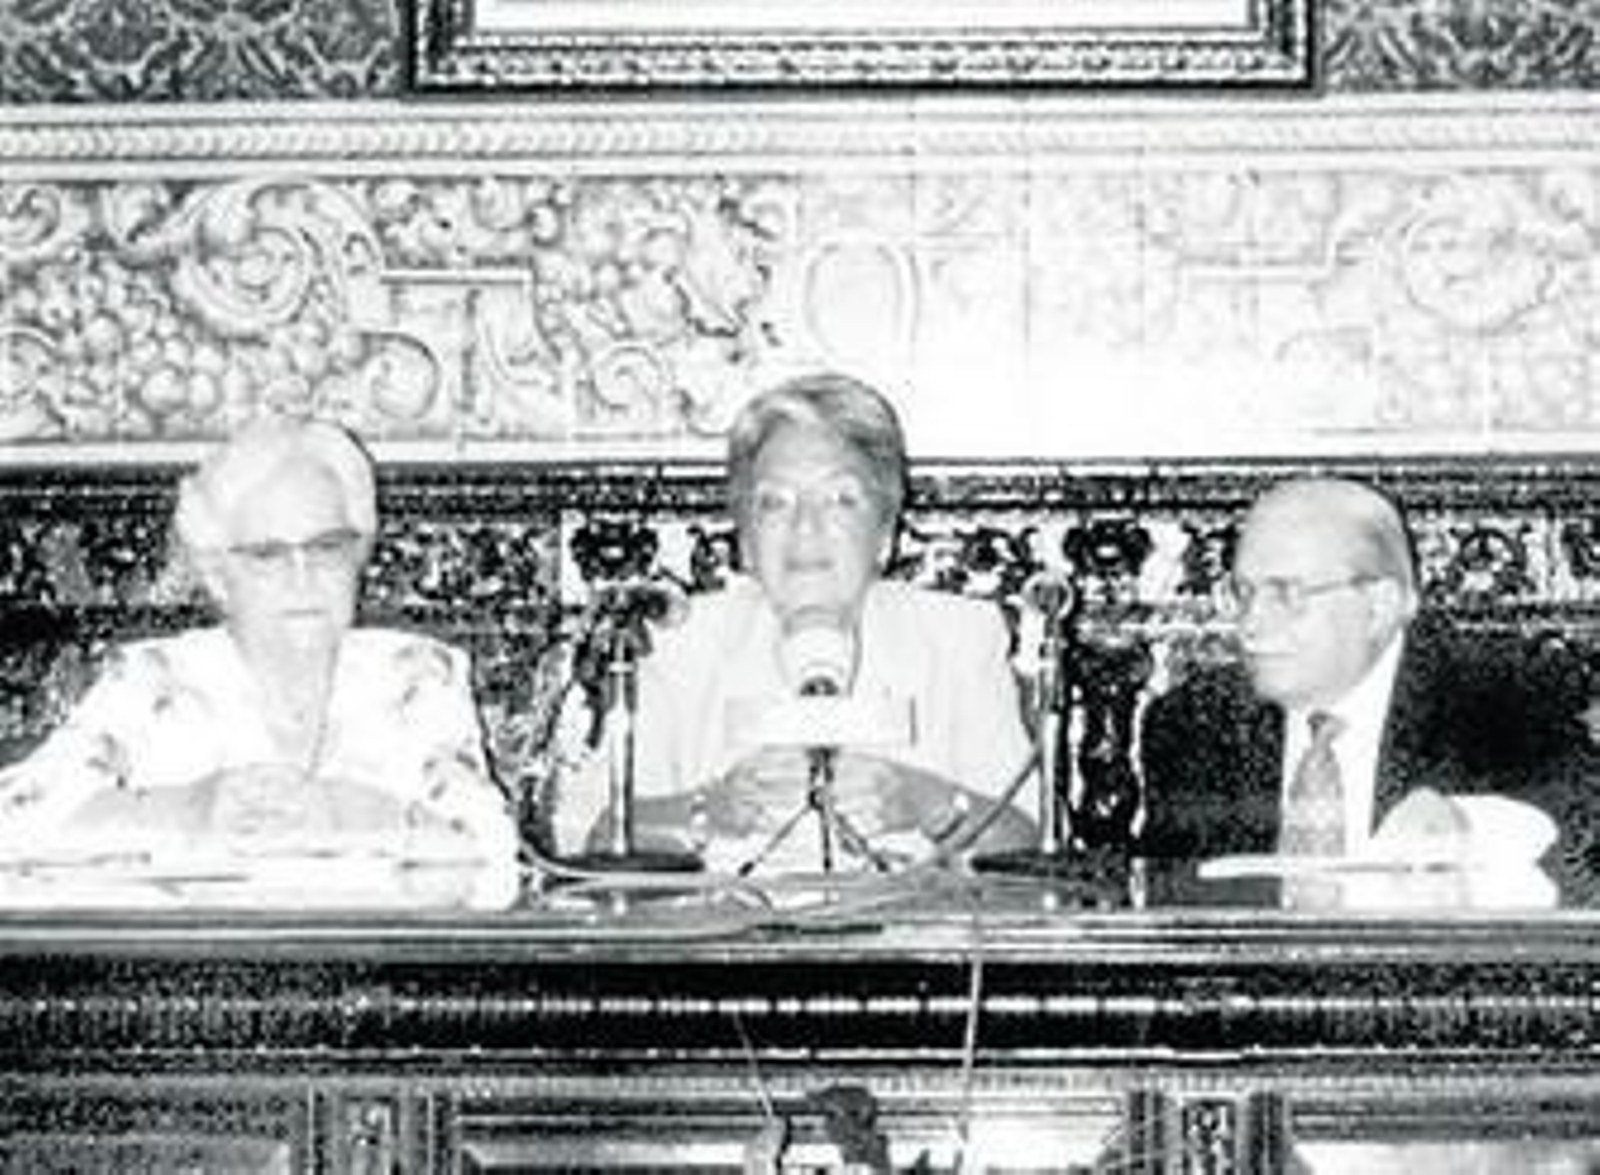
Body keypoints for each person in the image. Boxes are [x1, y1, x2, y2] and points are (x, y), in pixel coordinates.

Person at [0, 416, 520, 908]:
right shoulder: (154, 678)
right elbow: (15, 829)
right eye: (268, 555)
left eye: (326, 548)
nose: (303, 577)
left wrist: (344, 813)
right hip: (189, 982)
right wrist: (188, 811)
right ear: (219, 577)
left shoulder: (415, 673)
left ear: (357, 558)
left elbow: (491, 858)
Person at [552, 372, 1038, 874]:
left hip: (914, 944)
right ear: (744, 538)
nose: (806, 527)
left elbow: (1028, 841)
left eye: (841, 500)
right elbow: (598, 839)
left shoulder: (960, 640)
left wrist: (923, 801)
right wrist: (711, 808)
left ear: (885, 536)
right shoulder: (678, 644)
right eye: (774, 502)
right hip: (719, 941)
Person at [1138, 475, 1596, 908]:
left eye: (1287, 594)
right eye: (1243, 592)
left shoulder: (1500, 699)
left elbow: (1585, 838)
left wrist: (1469, 824)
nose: (1251, 623)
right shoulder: (1194, 722)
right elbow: (1170, 907)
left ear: (1380, 605)